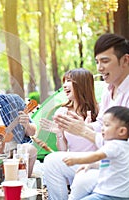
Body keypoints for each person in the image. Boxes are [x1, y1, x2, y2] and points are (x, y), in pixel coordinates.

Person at [48, 33, 129, 200]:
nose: (99, 68)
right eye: (97, 62)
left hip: (120, 167)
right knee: (51, 162)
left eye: (105, 61)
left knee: (82, 181)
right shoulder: (109, 91)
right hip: (104, 161)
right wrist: (83, 127)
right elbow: (100, 124)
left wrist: (84, 132)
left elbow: (122, 146)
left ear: (125, 61)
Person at [63, 106, 129, 200]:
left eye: (106, 125)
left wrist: (76, 160)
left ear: (122, 131)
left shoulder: (114, 145)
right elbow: (110, 165)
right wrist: (91, 165)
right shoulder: (124, 147)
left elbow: (97, 155)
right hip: (119, 195)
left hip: (110, 195)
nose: (102, 128)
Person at [40, 68, 99, 151]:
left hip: (95, 161)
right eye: (64, 81)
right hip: (73, 160)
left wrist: (86, 128)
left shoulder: (100, 110)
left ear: (81, 84)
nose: (64, 85)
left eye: (68, 81)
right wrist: (59, 133)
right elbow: (63, 151)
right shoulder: (62, 112)